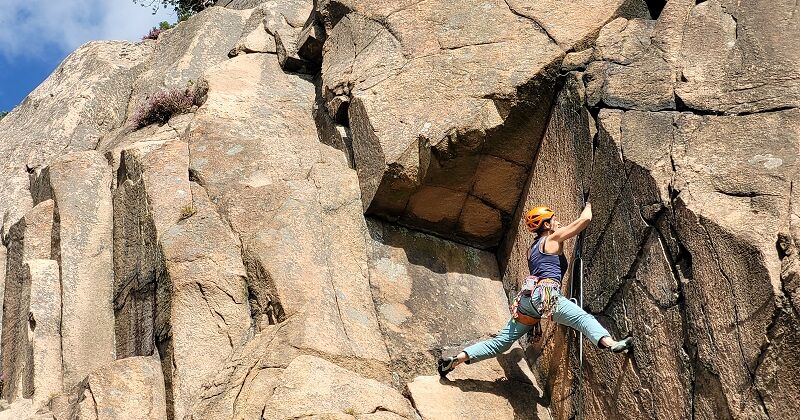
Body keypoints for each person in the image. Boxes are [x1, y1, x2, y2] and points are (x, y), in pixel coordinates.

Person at [437, 203, 633, 377]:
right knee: (583, 320)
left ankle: (458, 359)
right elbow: (585, 220)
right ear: (546, 225)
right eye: (554, 220)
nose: (558, 223)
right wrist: (589, 203)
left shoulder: (531, 250)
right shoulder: (553, 239)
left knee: (502, 342)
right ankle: (612, 344)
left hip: (527, 300)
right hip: (545, 295)